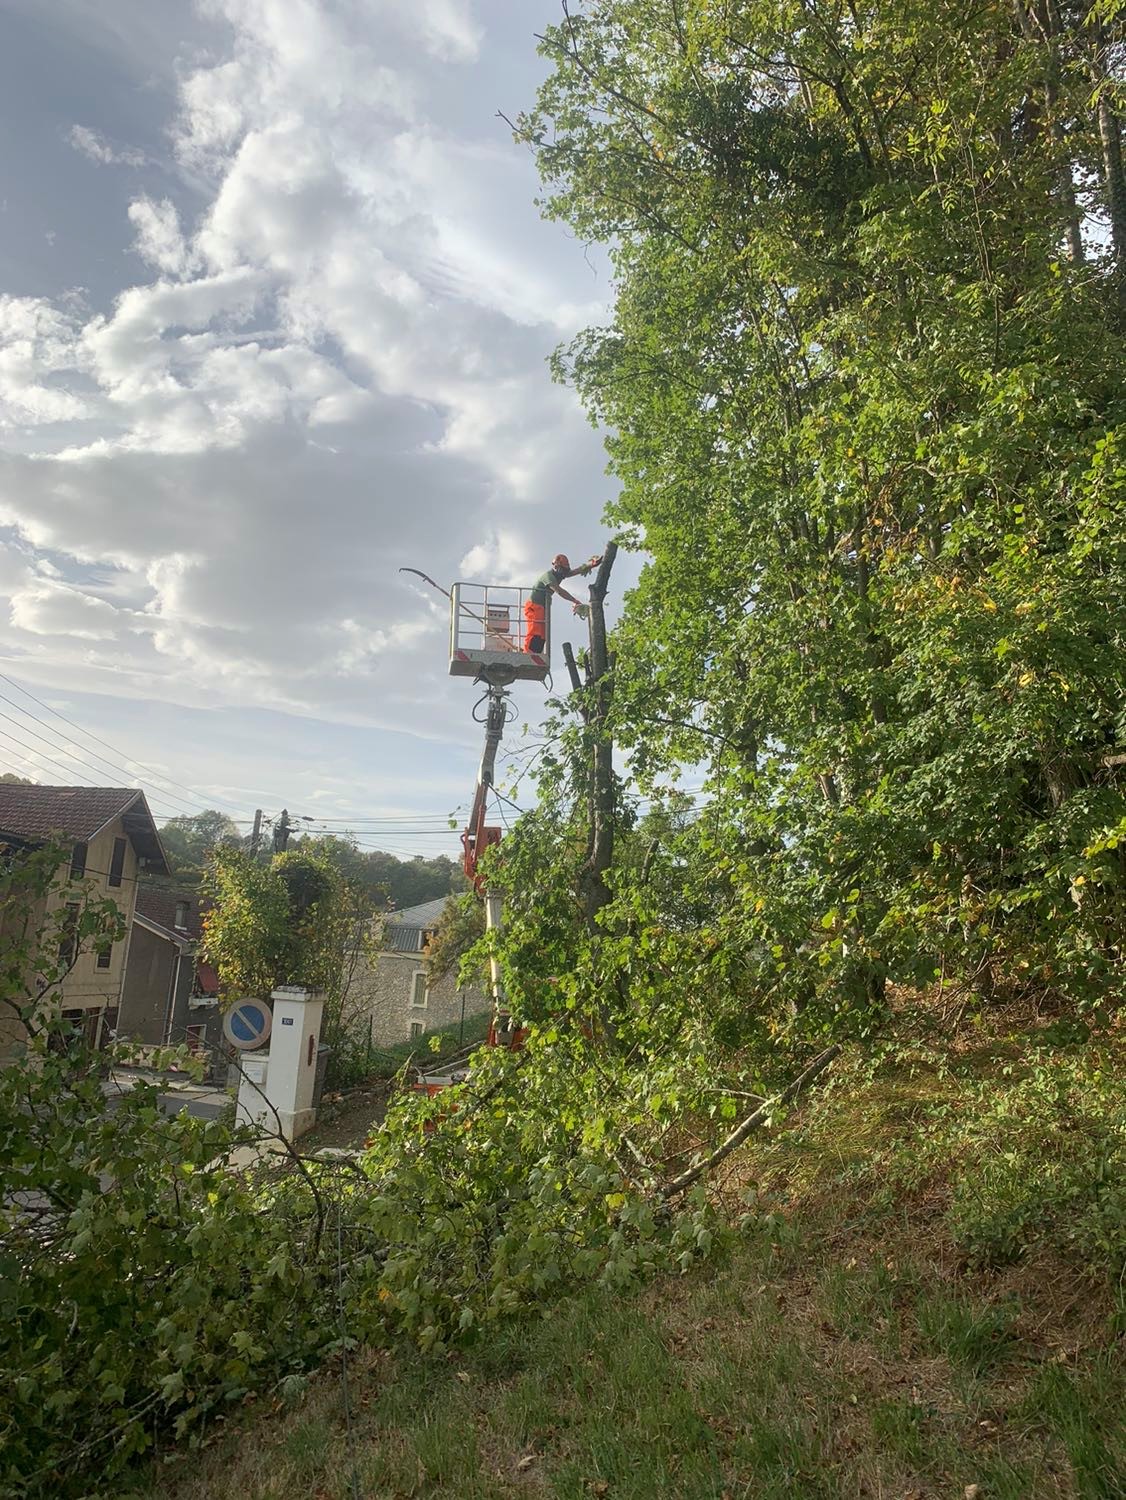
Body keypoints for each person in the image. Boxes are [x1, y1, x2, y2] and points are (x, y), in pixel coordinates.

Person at [524, 552, 602, 653]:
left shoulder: (559, 575)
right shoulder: (549, 576)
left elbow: (576, 571)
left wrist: (591, 564)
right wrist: (574, 600)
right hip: (534, 606)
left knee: (543, 634)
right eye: (563, 569)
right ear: (556, 566)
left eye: (565, 570)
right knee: (535, 631)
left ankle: (536, 653)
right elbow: (559, 591)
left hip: (542, 607)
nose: (564, 573)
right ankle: (528, 653)